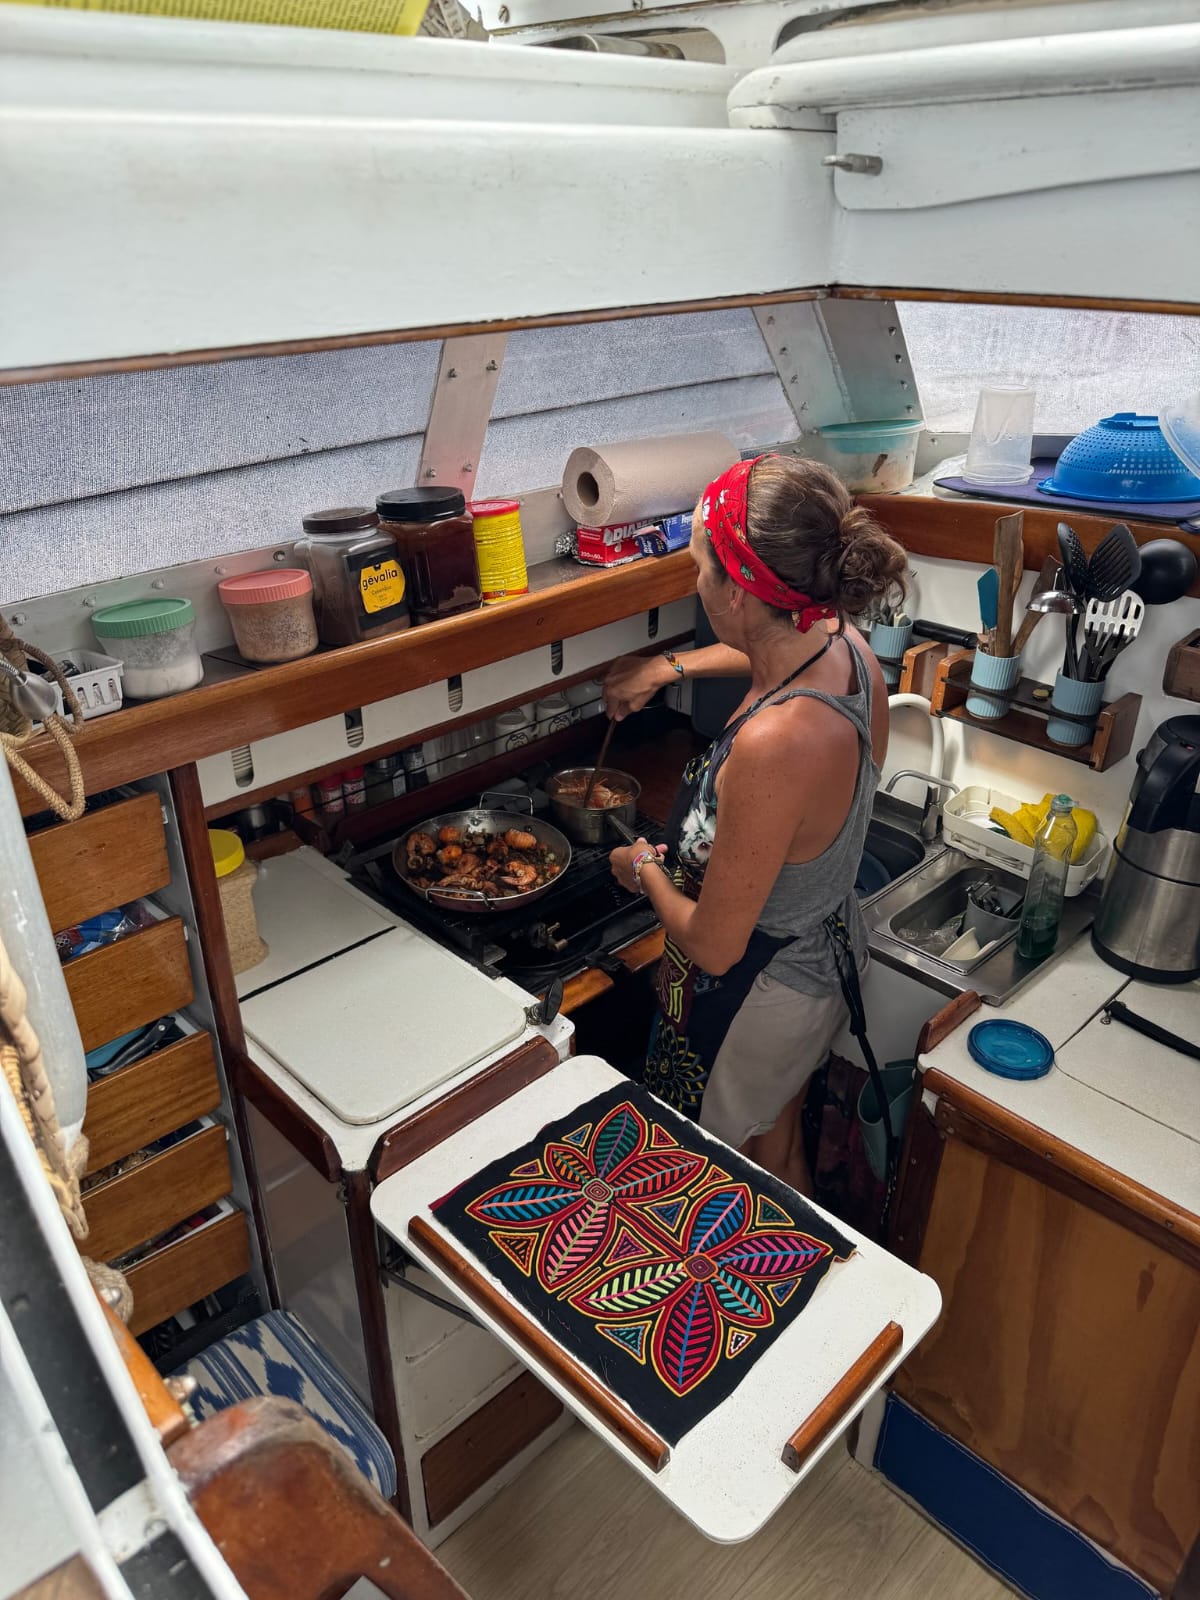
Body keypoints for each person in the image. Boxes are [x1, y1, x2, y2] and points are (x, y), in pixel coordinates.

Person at [604, 454, 906, 1193]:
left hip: (758, 996)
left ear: (739, 592)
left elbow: (714, 946)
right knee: (773, 1145)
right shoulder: (845, 645)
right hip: (823, 955)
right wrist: (669, 668)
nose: (695, 582)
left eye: (700, 568)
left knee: (715, 1182)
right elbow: (767, 648)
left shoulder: (776, 745)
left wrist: (642, 869)